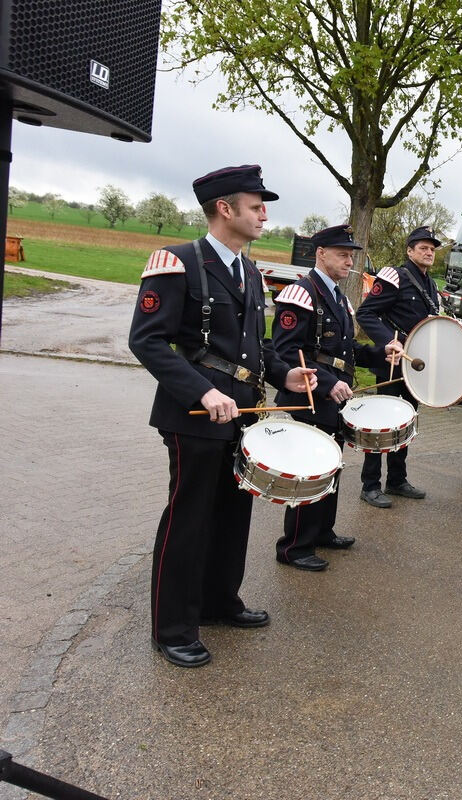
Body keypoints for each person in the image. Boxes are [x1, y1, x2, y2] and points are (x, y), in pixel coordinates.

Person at [128, 164, 316, 668]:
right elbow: (146, 340)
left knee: (235, 515)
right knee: (187, 520)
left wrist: (286, 376)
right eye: (256, 206)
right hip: (194, 416)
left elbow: (258, 347)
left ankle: (217, 601)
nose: (264, 214)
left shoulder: (251, 271)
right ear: (225, 209)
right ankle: (172, 628)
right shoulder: (178, 262)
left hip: (245, 416)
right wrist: (202, 391)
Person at [270, 225, 404, 571]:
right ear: (321, 253)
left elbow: (347, 351)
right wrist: (326, 383)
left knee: (331, 466)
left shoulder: (340, 297)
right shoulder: (301, 294)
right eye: (343, 254)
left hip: (333, 399)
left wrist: (381, 354)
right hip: (310, 398)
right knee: (308, 472)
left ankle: (321, 531)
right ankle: (294, 547)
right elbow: (286, 353)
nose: (349, 261)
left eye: (351, 255)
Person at [355, 226, 442, 506]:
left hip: (415, 368)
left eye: (432, 249)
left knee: (405, 422)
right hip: (392, 363)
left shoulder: (431, 285)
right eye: (423, 248)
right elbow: (366, 313)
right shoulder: (395, 276)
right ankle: (370, 485)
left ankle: (396, 480)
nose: (428, 252)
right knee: (381, 424)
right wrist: (388, 343)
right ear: (409, 250)